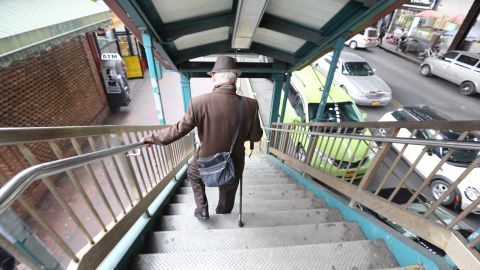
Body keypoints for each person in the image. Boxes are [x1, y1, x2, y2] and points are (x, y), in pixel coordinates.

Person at [143, 56, 263, 221]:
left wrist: (154, 138)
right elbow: (256, 137)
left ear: (214, 77)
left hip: (205, 159)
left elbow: (179, 129)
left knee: (193, 174)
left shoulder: (198, 103)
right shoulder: (251, 104)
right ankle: (224, 213)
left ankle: (202, 209)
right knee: (229, 188)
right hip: (234, 160)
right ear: (236, 79)